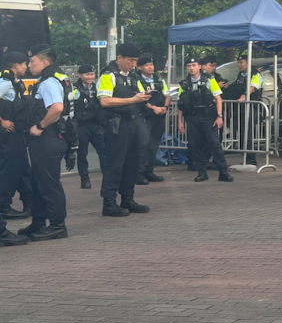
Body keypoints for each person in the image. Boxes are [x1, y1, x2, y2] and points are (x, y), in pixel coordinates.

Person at [19, 44, 72, 240]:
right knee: (39, 181)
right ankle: (38, 222)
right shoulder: (59, 78)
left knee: (48, 184)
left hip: (48, 137)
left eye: (31, 61)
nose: (29, 64)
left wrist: (40, 127)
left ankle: (57, 225)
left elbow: (57, 108)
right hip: (54, 137)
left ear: (44, 62)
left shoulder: (48, 82)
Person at [97, 43, 152, 218]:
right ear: (119, 58)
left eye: (136, 61)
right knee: (115, 164)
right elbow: (105, 101)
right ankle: (109, 202)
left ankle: (127, 198)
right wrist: (132, 100)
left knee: (132, 163)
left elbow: (140, 96)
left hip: (133, 122)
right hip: (116, 124)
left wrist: (145, 96)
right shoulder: (108, 76)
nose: (134, 64)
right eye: (131, 60)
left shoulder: (133, 76)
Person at [177, 57, 233, 183]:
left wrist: (219, 116)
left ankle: (223, 171)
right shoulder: (184, 84)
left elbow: (218, 98)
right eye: (189, 66)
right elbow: (181, 104)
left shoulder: (209, 80)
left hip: (208, 117)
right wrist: (180, 121)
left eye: (194, 65)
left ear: (199, 66)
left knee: (214, 143)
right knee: (196, 145)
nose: (191, 68)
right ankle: (202, 172)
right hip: (192, 118)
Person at [0, 52, 33, 219]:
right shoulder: (5, 83)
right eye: (25, 64)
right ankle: (4, 207)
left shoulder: (14, 82)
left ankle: (29, 203)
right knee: (9, 171)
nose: (27, 67)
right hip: (9, 134)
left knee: (23, 169)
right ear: (16, 66)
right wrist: (2, 122)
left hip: (18, 133)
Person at [135, 56, 170, 185]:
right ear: (139, 67)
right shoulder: (136, 80)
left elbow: (167, 95)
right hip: (144, 117)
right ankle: (139, 173)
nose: (150, 67)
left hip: (158, 117)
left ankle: (149, 171)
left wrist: (165, 107)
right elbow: (140, 98)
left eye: (151, 64)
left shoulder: (158, 80)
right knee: (143, 145)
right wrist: (153, 108)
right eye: (147, 65)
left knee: (153, 146)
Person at [73, 64, 107, 190]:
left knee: (104, 151)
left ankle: (107, 176)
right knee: (82, 153)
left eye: (92, 74)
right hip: (82, 126)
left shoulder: (97, 87)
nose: (90, 77)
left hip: (97, 125)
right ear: (79, 75)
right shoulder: (75, 89)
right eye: (87, 74)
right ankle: (85, 179)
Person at [232, 52, 263, 166]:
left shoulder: (255, 74)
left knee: (248, 133)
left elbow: (252, 88)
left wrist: (244, 96)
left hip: (251, 107)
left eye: (241, 62)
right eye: (238, 63)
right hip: (240, 107)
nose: (239, 65)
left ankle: (251, 158)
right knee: (240, 132)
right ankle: (244, 156)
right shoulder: (241, 75)